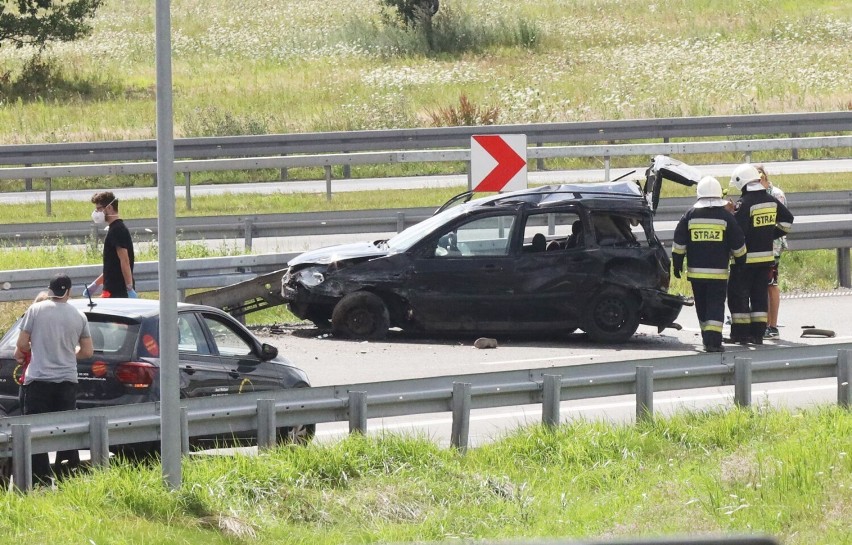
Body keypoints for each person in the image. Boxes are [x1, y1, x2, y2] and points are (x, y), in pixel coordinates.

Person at [14, 274, 93, 485]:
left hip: (38, 380)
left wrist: (38, 348)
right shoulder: (79, 316)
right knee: (65, 430)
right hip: (67, 381)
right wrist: (67, 352)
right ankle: (66, 475)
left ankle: (40, 479)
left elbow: (22, 344)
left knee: (35, 433)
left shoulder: (36, 310)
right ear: (68, 291)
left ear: (50, 291)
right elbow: (87, 351)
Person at [672, 177, 746, 353]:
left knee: (702, 305)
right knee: (715, 305)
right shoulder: (726, 217)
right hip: (718, 274)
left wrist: (676, 264)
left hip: (696, 273)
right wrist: (741, 262)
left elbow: (679, 242)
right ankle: (713, 341)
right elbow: (738, 243)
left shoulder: (689, 215)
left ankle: (707, 338)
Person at [726, 164, 794, 345]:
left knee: (738, 296)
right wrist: (769, 235)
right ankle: (758, 335)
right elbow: (787, 221)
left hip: (745, 261)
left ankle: (740, 334)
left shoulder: (744, 202)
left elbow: (737, 231)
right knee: (758, 298)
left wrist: (730, 214)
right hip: (766, 259)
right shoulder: (771, 200)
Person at [86, 191, 137, 299]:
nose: (97, 212)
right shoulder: (114, 229)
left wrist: (129, 288)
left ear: (109, 208)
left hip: (117, 292)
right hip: (111, 290)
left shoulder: (118, 230)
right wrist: (95, 284)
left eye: (99, 209)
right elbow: (113, 267)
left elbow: (125, 261)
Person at [756, 165, 787, 338]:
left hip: (773, 245)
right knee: (762, 284)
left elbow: (781, 221)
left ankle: (772, 325)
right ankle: (764, 322)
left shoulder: (776, 195)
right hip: (760, 245)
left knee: (771, 283)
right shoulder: (756, 194)